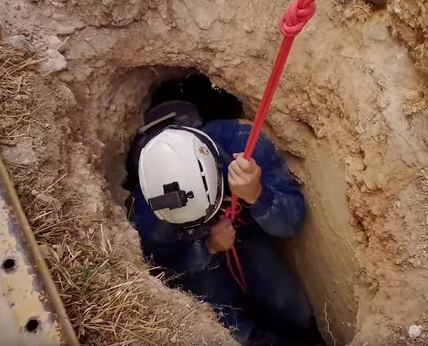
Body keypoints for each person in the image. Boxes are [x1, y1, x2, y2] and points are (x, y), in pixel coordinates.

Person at [126, 100, 322, 345]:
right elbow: (165, 274)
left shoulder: (242, 145)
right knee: (235, 335)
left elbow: (290, 222)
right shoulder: (147, 213)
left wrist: (257, 195)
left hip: (247, 236)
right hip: (198, 261)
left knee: (294, 311)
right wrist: (206, 247)